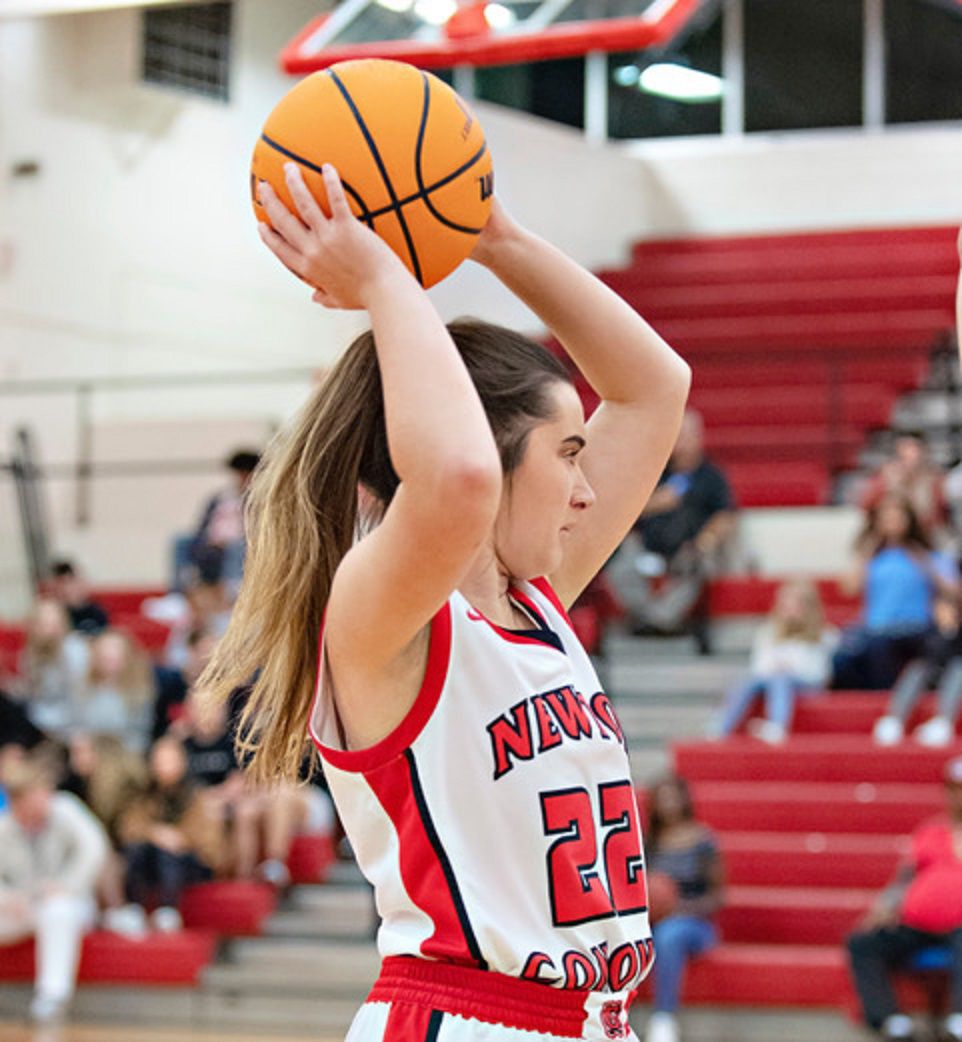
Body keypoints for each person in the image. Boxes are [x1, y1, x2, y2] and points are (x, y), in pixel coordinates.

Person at [198, 162, 690, 1041]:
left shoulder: (535, 600)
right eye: (566, 454)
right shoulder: (381, 614)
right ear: (497, 461)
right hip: (466, 1018)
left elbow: (656, 386)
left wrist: (493, 238)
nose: (586, 489)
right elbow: (458, 478)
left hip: (592, 1020)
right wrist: (385, 279)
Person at [846, 755, 962, 1042]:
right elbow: (905, 879)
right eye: (953, 789)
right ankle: (889, 1020)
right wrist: (883, 907)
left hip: (959, 929)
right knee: (863, 942)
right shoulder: (931, 831)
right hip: (919, 926)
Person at [606, 410, 735, 655]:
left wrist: (703, 541)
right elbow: (628, 510)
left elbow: (725, 515)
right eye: (678, 435)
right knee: (619, 564)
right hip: (648, 548)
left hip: (688, 549)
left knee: (698, 564)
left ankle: (658, 620)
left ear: (699, 437)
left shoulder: (711, 476)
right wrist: (657, 503)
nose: (682, 441)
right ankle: (656, 620)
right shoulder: (656, 473)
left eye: (687, 435)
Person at [0, 753, 109, 1024]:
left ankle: (53, 996)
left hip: (71, 903)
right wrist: (8, 897)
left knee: (57, 910)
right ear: (18, 800)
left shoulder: (66, 809)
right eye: (33, 795)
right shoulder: (4, 827)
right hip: (22, 907)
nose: (42, 799)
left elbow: (95, 849)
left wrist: (67, 885)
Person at [832, 495, 957, 690]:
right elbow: (849, 588)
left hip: (917, 627)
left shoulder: (925, 555)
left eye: (898, 517)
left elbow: (952, 590)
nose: (892, 523)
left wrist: (925, 563)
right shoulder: (872, 558)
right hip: (878, 628)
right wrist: (866, 551)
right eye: (886, 518)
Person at [113, 735, 225, 934]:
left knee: (168, 855)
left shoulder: (196, 794)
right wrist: (155, 833)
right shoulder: (145, 794)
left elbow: (210, 843)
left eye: (169, 760)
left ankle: (168, 910)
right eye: (159, 760)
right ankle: (133, 909)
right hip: (152, 858)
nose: (163, 766)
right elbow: (128, 828)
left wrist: (180, 839)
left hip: (191, 862)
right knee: (137, 851)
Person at [642, 775, 723, 1042]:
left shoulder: (703, 840)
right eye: (662, 797)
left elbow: (717, 897)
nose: (668, 803)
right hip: (652, 921)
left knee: (668, 934)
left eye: (672, 796)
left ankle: (663, 1017)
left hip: (695, 924)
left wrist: (678, 908)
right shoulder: (648, 844)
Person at [708, 579, 838, 744]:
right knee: (747, 680)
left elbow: (820, 672)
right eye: (786, 606)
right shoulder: (767, 633)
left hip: (807, 683)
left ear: (808, 608)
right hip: (770, 678)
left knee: (780, 678)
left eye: (795, 606)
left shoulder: (825, 635)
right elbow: (758, 666)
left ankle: (777, 726)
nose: (789, 611)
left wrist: (789, 669)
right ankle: (721, 727)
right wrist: (776, 668)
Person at [873, 593, 962, 747]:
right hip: (933, 676)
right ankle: (894, 720)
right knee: (917, 668)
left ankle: (943, 722)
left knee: (959, 668)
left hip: (955, 678)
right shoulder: (927, 633)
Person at [179, 449, 260, 591]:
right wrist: (207, 539)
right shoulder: (219, 498)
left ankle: (232, 594)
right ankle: (179, 592)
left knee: (236, 547)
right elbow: (203, 525)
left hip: (241, 544)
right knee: (181, 541)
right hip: (212, 542)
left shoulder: (259, 500)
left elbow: (256, 529)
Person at [17, 597, 90, 741]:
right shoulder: (30, 653)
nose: (51, 630)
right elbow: (34, 695)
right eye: (44, 625)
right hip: (40, 722)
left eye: (54, 624)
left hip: (71, 728)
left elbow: (80, 701)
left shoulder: (75, 651)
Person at [75, 629, 155, 752]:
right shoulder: (84, 687)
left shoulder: (140, 692)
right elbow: (78, 726)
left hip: (124, 756)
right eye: (105, 658)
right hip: (90, 755)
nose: (109, 662)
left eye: (114, 659)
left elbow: (140, 736)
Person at [859, 433, 946, 539]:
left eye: (915, 456)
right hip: (888, 536)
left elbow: (940, 515)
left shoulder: (932, 479)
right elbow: (867, 507)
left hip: (923, 535)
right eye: (905, 456)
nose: (910, 462)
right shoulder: (884, 478)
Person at [47, 559, 109, 636]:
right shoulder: (52, 616)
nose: (67, 589)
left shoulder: (97, 613)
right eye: (62, 583)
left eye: (71, 582)